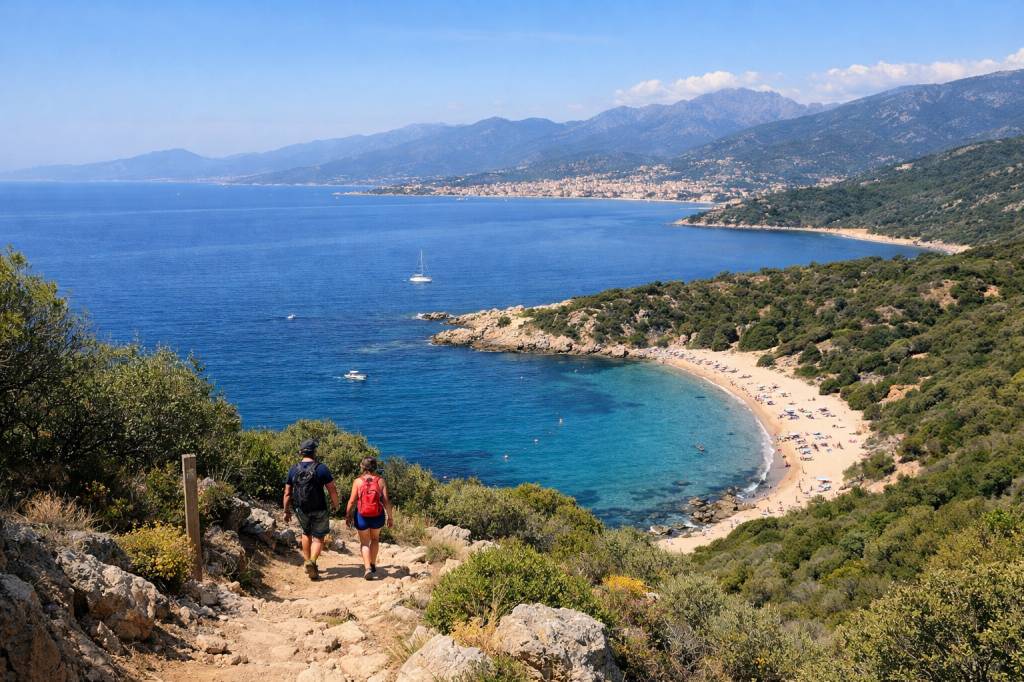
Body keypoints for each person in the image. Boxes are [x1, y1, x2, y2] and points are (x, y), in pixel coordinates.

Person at [283, 439, 339, 580]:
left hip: (301, 508)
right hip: (319, 507)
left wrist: (286, 510)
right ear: (314, 452)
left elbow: (287, 493)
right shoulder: (321, 468)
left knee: (306, 533)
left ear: (301, 452)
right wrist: (335, 504)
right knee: (319, 537)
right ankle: (313, 561)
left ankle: (307, 561)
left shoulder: (293, 469)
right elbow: (332, 489)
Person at [346, 457, 393, 580]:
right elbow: (386, 502)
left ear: (362, 467)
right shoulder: (381, 481)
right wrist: (390, 517)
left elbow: (351, 501)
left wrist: (348, 515)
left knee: (364, 543)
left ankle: (367, 569)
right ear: (375, 467)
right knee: (375, 539)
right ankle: (372, 564)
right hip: (377, 515)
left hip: (361, 516)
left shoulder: (358, 481)